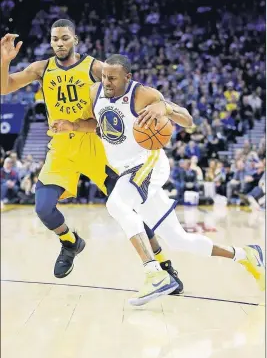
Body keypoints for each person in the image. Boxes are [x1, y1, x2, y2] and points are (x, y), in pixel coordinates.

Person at [54, 54, 265, 305]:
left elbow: (188, 120)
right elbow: (101, 125)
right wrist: (73, 126)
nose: (106, 81)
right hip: (127, 170)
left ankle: (154, 274)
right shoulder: (94, 92)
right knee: (178, 240)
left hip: (148, 162)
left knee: (116, 204)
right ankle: (245, 255)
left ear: (127, 77)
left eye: (112, 78)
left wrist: (165, 107)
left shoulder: (143, 94)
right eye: (103, 76)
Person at [0, 24, 183, 295]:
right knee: (43, 208)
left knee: (130, 210)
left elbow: (132, 89)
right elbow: (6, 87)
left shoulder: (95, 68)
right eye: (55, 39)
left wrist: (159, 105)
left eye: (65, 38)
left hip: (98, 145)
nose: (60, 43)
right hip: (62, 146)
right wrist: (5, 61)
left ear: (75, 39)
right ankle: (70, 241)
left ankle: (163, 265)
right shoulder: (42, 68)